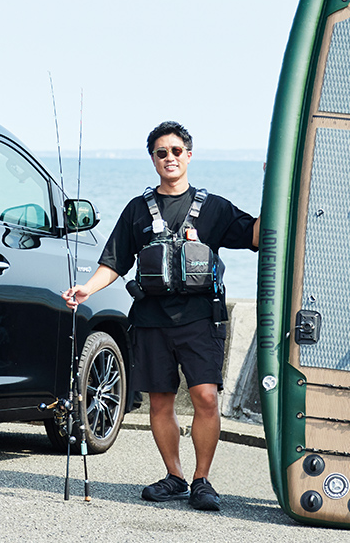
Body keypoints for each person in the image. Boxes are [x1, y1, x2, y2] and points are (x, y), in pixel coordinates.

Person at [62, 121, 258, 512]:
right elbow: (114, 262)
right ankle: (175, 477)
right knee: (160, 403)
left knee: (206, 397)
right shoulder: (138, 209)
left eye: (176, 151)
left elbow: (255, 235)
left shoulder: (214, 208)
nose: (170, 158)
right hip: (151, 320)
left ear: (189, 155)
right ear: (153, 159)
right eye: (161, 152)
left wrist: (279, 187)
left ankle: (202, 480)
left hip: (201, 319)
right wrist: (87, 289)